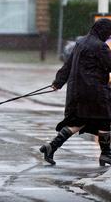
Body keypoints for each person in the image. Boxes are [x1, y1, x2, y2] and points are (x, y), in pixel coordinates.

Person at [40, 18, 111, 166]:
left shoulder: (81, 42)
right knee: (105, 120)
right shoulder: (101, 47)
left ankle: (51, 146)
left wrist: (58, 82)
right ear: (103, 31)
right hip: (94, 91)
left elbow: (68, 65)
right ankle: (106, 154)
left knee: (79, 121)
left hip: (77, 90)